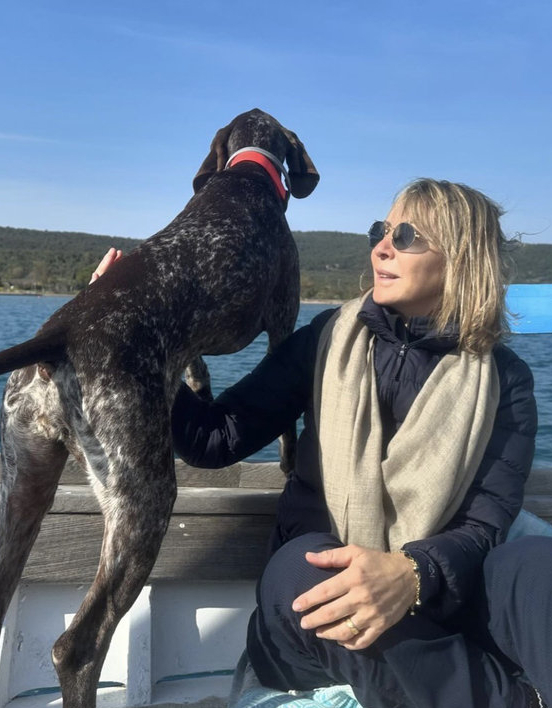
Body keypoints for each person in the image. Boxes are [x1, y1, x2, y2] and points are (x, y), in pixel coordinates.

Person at [98, 178, 543, 707]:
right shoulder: (327, 339)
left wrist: (411, 573)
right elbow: (213, 438)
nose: (381, 247)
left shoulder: (503, 380)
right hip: (305, 616)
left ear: (462, 259)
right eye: (381, 231)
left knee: (535, 564)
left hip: (435, 595)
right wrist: (132, 334)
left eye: (405, 236)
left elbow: (484, 527)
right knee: (310, 573)